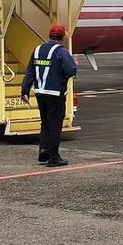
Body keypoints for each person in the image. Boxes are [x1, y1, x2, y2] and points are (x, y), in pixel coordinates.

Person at [21, 24, 78, 167]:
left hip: (40, 93)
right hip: (55, 94)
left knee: (45, 123)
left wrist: (24, 91)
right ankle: (54, 157)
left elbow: (30, 72)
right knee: (54, 126)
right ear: (62, 37)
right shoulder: (61, 52)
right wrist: (74, 66)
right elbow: (71, 71)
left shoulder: (37, 50)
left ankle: (43, 151)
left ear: (50, 35)